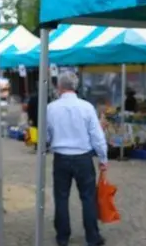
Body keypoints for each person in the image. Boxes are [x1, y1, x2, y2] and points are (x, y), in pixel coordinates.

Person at [47, 71, 107, 246]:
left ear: (59, 87)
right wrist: (103, 158)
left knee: (61, 197)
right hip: (83, 157)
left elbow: (45, 135)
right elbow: (97, 136)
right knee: (88, 197)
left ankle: (63, 237)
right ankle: (92, 237)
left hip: (61, 157)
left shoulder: (51, 108)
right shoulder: (87, 107)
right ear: (76, 87)